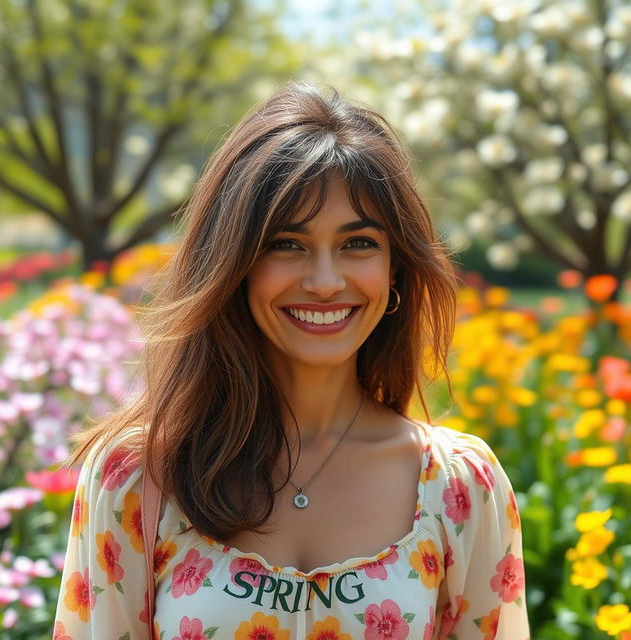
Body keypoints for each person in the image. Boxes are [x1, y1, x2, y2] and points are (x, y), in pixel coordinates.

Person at [52, 82, 530, 639]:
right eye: (286, 243)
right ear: (232, 263)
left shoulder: (460, 488)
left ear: (395, 269)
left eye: (359, 244)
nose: (325, 282)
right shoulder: (138, 479)